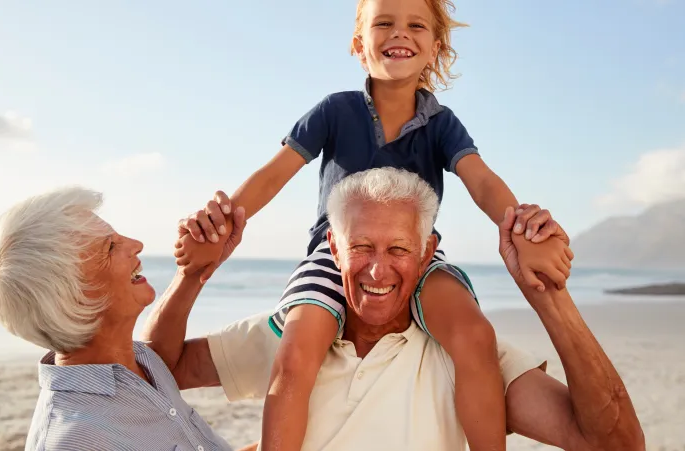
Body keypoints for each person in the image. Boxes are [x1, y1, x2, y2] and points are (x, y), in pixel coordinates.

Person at [175, 0, 571, 449]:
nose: (400, 33)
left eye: (415, 25)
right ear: (359, 45)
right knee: (298, 346)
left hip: (413, 252)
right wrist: (220, 223)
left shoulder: (443, 125)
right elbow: (273, 174)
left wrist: (524, 228)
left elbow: (481, 182)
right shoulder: (334, 110)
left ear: (434, 48)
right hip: (338, 251)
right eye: (384, 23)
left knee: (476, 334)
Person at [164, 168, 644, 450]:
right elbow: (147, 370)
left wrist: (548, 296)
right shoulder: (286, 336)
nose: (377, 271)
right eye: (362, 248)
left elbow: (616, 443)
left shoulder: (468, 356)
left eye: (398, 250)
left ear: (427, 249)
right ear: (332, 247)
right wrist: (191, 276)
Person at [0, 186, 249, 451]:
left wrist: (194, 271)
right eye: (110, 247)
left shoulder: (143, 362)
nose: (136, 245)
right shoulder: (75, 440)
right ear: (76, 297)